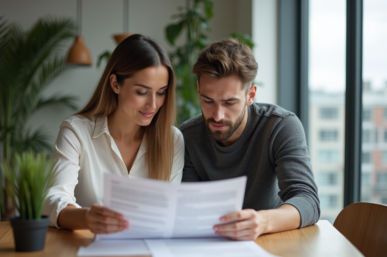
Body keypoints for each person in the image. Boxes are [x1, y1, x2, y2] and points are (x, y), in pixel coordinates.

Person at [43, 34, 184, 234]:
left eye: (161, 92)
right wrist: (87, 218)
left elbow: (171, 212)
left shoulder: (172, 140)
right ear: (115, 83)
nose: (153, 105)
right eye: (142, 92)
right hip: (86, 255)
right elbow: (52, 200)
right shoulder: (76, 131)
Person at [180, 38, 320, 240]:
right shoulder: (187, 136)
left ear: (250, 95)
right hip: (210, 243)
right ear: (199, 90)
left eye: (229, 102)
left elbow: (308, 201)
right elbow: (188, 209)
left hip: (271, 239)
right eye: (208, 100)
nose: (218, 115)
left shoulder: (280, 126)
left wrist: (263, 221)